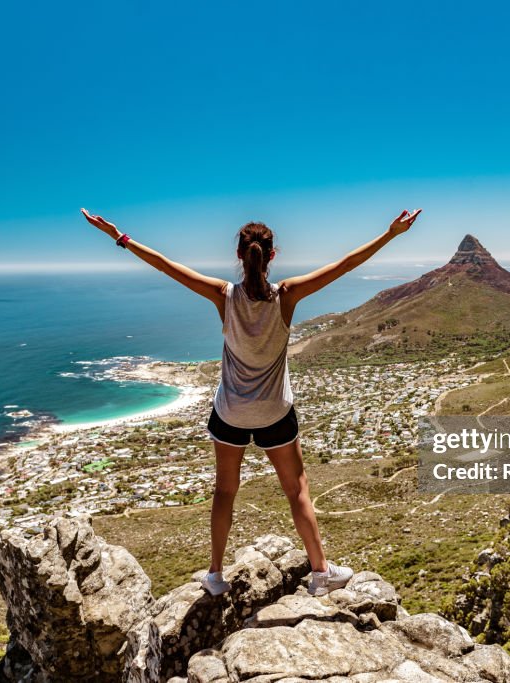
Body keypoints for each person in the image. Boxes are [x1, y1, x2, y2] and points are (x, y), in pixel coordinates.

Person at [81, 206, 422, 596]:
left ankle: (214, 575)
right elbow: (345, 264)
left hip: (230, 413)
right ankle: (320, 573)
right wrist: (390, 234)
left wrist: (118, 236)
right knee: (297, 491)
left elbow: (166, 265)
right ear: (272, 256)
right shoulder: (288, 296)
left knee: (225, 491)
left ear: (239, 257)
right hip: (275, 413)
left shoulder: (223, 296)